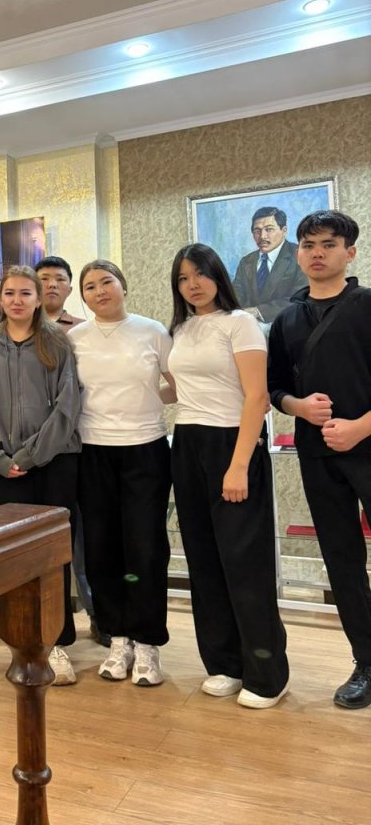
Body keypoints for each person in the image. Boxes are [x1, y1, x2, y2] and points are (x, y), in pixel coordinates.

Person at [168, 243, 289, 709]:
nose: (192, 284)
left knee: (245, 564)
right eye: (183, 278)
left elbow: (257, 397)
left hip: (232, 445)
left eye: (200, 274)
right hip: (187, 443)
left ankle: (267, 675)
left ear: (218, 275)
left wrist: (238, 465)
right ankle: (224, 664)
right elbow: (177, 389)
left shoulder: (240, 324)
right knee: (204, 560)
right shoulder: (181, 328)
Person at [268, 210, 371, 710]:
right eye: (309, 245)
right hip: (317, 455)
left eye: (328, 244)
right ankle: (366, 661)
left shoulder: (367, 305)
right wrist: (299, 407)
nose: (317, 253)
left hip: (368, 446)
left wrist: (360, 427)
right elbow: (275, 388)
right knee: (342, 560)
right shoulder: (287, 319)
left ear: (349, 252)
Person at [69, 260, 174, 687]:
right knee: (102, 549)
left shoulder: (152, 331)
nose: (99, 291)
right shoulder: (75, 338)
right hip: (92, 451)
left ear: (123, 286)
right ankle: (117, 638)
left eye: (106, 282)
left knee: (145, 549)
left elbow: (178, 383)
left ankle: (147, 643)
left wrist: (147, 397)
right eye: (90, 286)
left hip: (145, 449)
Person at [0, 265, 81, 685]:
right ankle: (21, 642)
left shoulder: (58, 343)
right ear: (0, 299)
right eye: (9, 293)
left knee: (52, 556)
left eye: (25, 293)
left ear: (39, 299)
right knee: (13, 559)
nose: (17, 300)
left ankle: (57, 641)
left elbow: (67, 406)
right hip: (4, 468)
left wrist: (30, 455)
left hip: (53, 463)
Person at [34, 257, 103, 644]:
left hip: (82, 444)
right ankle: (50, 624)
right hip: (36, 452)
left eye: (59, 279)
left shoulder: (81, 331)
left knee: (85, 537)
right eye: (44, 278)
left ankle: (97, 613)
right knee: (47, 541)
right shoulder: (16, 332)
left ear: (70, 288)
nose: (51, 285)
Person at [232, 206, 307, 324]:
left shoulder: (300, 255)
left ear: (284, 230)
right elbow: (235, 296)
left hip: (289, 324)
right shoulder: (246, 261)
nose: (262, 236)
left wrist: (258, 311)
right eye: (257, 231)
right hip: (247, 326)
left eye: (269, 229)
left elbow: (302, 298)